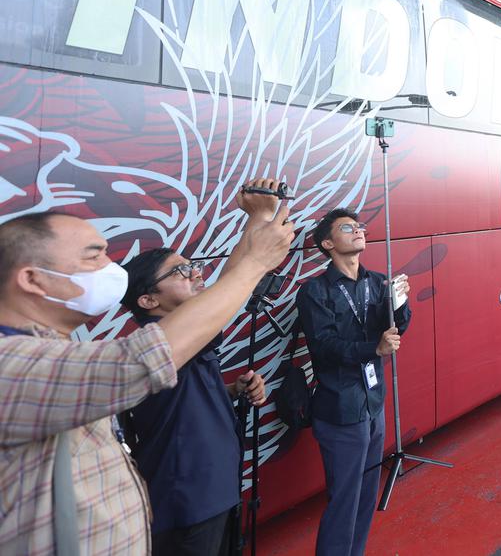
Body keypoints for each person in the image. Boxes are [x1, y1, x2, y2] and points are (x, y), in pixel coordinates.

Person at [0, 180, 293, 555]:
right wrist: (256, 259)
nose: (111, 269)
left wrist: (258, 220)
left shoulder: (50, 350)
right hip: (187, 510)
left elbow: (214, 305)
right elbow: (142, 359)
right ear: (32, 278)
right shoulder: (14, 363)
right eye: (93, 257)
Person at [119, 249, 269, 555]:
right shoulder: (156, 345)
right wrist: (258, 245)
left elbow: (177, 402)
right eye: (179, 272)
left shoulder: (188, 340)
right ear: (148, 301)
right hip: (188, 503)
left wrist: (231, 390)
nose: (196, 274)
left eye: (192, 266)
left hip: (218, 491)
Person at [297, 209, 412, 556]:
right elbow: (324, 345)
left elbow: (395, 329)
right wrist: (372, 348)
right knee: (345, 497)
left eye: (360, 226)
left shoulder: (377, 282)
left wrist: (400, 305)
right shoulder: (315, 291)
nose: (359, 231)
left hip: (373, 403)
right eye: (348, 228)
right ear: (328, 244)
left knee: (365, 494)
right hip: (339, 407)